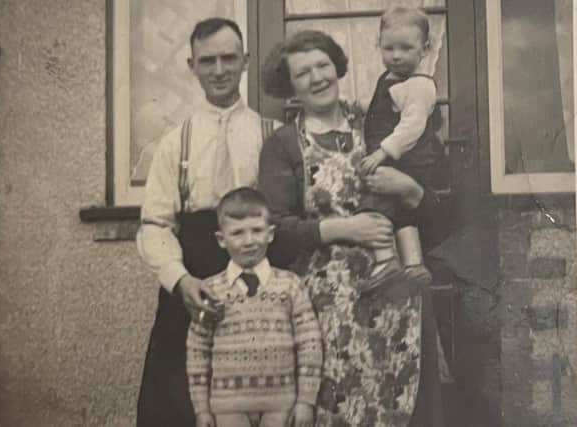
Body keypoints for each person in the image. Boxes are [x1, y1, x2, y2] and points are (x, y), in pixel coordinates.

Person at [259, 30, 444, 427]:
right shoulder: (283, 144)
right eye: (303, 72)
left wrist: (410, 189)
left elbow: (439, 208)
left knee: (400, 406)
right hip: (327, 309)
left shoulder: (380, 122)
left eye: (323, 65)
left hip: (396, 300)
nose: (317, 77)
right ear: (289, 85)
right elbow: (274, 231)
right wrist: (347, 229)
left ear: (337, 67)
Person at [135, 18, 274, 427]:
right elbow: (155, 223)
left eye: (229, 58)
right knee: (178, 405)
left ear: (245, 61)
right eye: (208, 60)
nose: (219, 70)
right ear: (191, 65)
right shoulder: (172, 143)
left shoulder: (272, 135)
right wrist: (179, 281)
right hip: (192, 283)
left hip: (256, 284)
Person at [186, 187, 323, 427]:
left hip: (280, 404)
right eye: (237, 233)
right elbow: (197, 351)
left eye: (257, 230)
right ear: (221, 239)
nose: (249, 241)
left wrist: (305, 401)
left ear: (270, 234)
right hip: (228, 407)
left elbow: (309, 343)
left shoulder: (290, 284)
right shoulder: (211, 290)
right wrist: (202, 409)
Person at [359, 6, 444, 286]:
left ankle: (385, 259)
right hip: (399, 160)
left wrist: (383, 152)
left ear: (425, 48)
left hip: (409, 160)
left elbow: (411, 128)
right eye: (389, 48)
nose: (396, 55)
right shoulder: (389, 79)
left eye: (406, 48)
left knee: (376, 205)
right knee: (402, 212)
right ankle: (414, 264)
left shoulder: (419, 85)